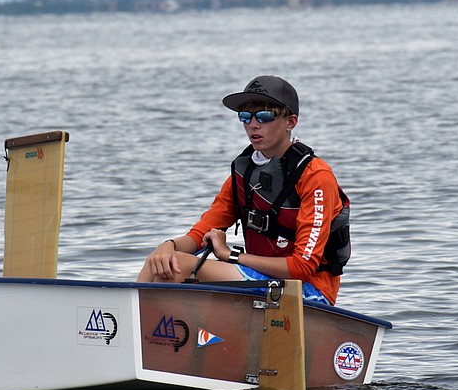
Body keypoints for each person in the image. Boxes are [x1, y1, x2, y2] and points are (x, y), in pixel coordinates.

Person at [137, 75, 349, 305]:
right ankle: (137, 323)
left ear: (290, 122)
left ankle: (151, 324)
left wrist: (231, 255)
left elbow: (301, 268)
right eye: (246, 117)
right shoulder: (243, 174)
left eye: (264, 116)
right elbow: (199, 235)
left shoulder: (316, 176)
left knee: (178, 265)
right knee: (159, 261)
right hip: (259, 278)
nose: (253, 125)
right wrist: (168, 245)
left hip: (309, 290)